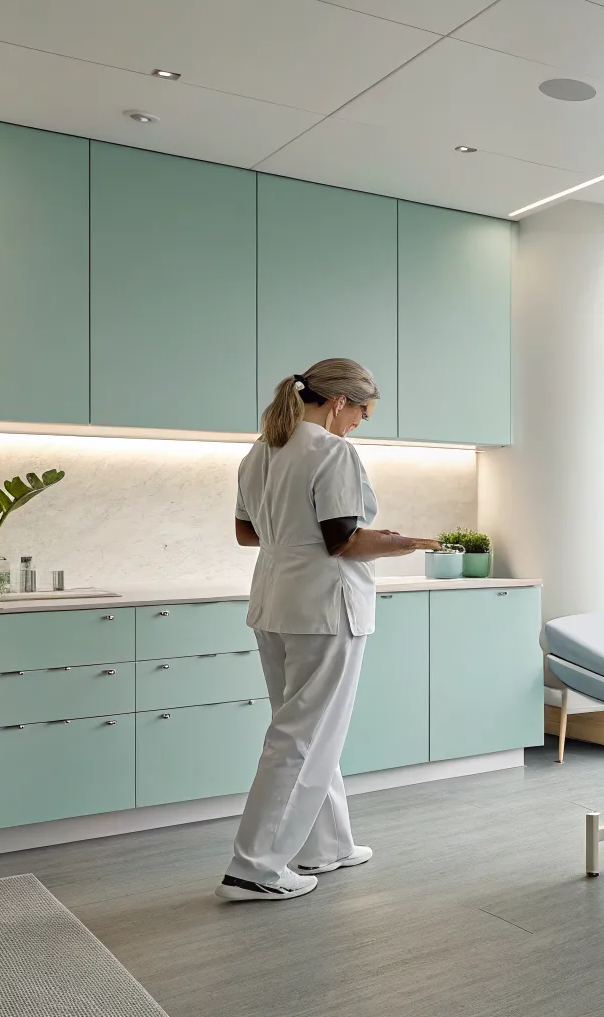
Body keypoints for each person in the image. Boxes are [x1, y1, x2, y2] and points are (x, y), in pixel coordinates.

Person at [217, 358, 439, 902]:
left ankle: (328, 845)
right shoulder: (332, 450)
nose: (361, 422)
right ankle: (254, 868)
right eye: (362, 411)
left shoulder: (260, 451)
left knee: (306, 731)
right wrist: (406, 542)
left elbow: (248, 533)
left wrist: (332, 536)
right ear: (339, 401)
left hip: (274, 602)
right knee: (303, 736)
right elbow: (343, 541)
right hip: (324, 606)